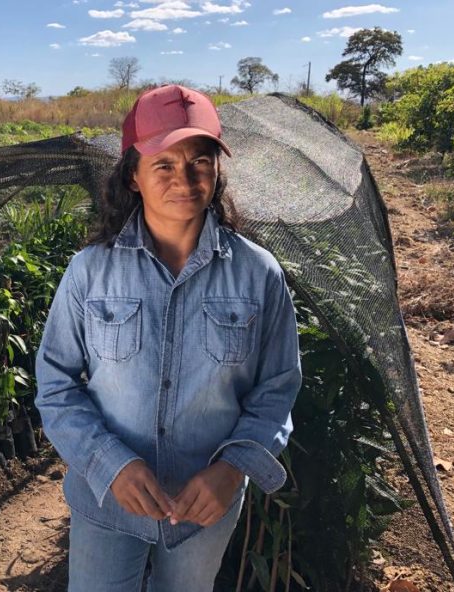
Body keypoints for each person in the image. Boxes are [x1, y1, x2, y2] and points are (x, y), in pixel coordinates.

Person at [34, 84, 302, 591]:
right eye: (163, 164)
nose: (185, 179)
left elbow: (277, 387)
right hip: (105, 497)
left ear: (217, 171)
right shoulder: (90, 272)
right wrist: (111, 464)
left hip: (205, 507)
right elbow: (56, 383)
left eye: (200, 162)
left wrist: (232, 468)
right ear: (132, 176)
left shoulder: (258, 275)